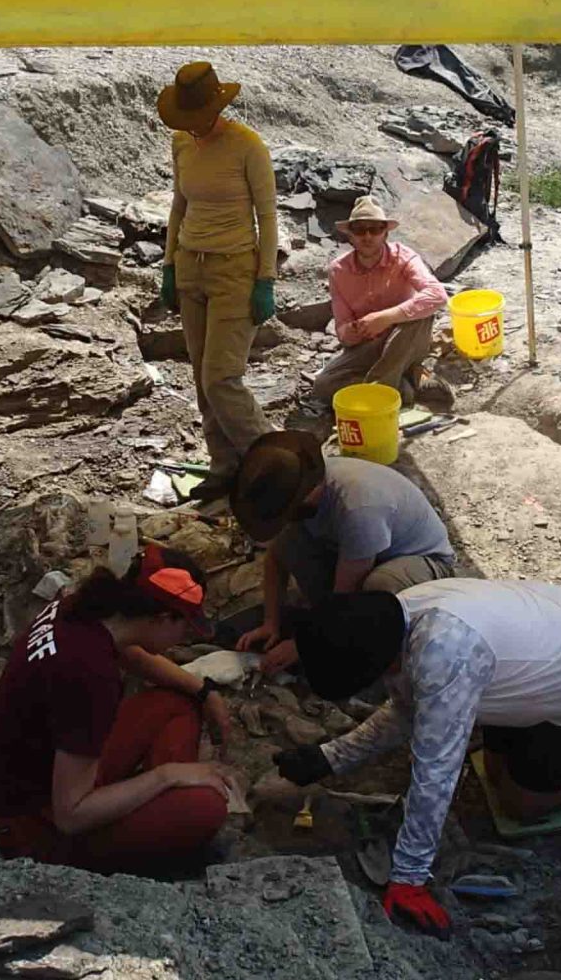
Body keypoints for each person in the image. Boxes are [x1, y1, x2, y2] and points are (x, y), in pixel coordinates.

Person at [268, 579, 561, 937]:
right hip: (557, 640)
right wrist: (330, 758)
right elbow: (408, 708)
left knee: (522, 803)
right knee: (494, 771)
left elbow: (436, 771)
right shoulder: (395, 616)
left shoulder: (444, 653)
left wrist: (409, 877)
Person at [0, 544, 240, 873]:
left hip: (50, 772)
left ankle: (151, 808)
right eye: (185, 627)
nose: (185, 637)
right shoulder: (91, 676)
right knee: (206, 807)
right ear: (162, 619)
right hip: (33, 828)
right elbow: (70, 816)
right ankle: (158, 823)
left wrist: (204, 692)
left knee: (177, 703)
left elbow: (133, 655)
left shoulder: (82, 609)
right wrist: (167, 775)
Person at [231, 430, 456, 672]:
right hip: (359, 552)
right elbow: (276, 558)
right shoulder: (303, 491)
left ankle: (389, 656)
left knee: (378, 587)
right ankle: (335, 628)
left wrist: (303, 645)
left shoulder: (358, 508)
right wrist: (270, 623)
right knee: (290, 544)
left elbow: (345, 596)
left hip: (423, 561)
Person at [157, 61, 278, 500]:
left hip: (234, 269)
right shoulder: (181, 144)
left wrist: (266, 278)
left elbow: (267, 216)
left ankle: (277, 463)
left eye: (199, 117)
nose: (193, 126)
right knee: (201, 377)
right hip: (191, 265)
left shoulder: (247, 146)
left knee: (221, 378)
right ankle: (225, 466)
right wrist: (169, 264)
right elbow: (179, 205)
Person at [305, 195, 453, 413]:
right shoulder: (338, 270)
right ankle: (403, 384)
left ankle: (379, 392)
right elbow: (342, 330)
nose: (367, 236)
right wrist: (355, 330)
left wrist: (386, 318)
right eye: (360, 230)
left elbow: (437, 295)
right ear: (350, 235)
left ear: (385, 233)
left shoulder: (404, 257)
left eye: (374, 229)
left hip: (405, 339)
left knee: (421, 314)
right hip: (368, 345)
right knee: (323, 386)